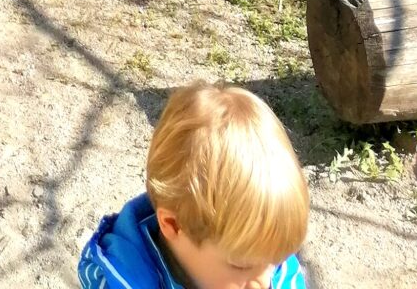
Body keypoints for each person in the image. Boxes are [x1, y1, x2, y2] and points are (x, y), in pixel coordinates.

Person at [79, 82, 309, 289]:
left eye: (275, 261)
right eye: (240, 266)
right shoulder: (120, 279)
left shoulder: (259, 249)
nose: (264, 283)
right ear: (173, 225)